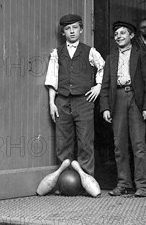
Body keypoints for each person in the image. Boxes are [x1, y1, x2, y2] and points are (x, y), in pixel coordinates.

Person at [44, 14, 105, 179]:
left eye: (75, 28)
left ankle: (87, 181)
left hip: (84, 102)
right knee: (63, 142)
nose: (71, 31)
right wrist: (52, 102)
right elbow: (52, 79)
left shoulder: (90, 51)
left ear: (81, 30)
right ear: (63, 32)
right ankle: (65, 180)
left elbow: (103, 69)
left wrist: (98, 86)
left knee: (85, 141)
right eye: (67, 29)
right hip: (62, 101)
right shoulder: (57, 53)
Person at [100, 21, 146, 197]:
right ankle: (123, 183)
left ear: (131, 36)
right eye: (116, 34)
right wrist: (105, 108)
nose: (119, 36)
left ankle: (142, 186)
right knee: (119, 145)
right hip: (117, 100)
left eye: (123, 33)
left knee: (138, 144)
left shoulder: (141, 55)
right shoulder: (111, 58)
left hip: (135, 100)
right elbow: (105, 85)